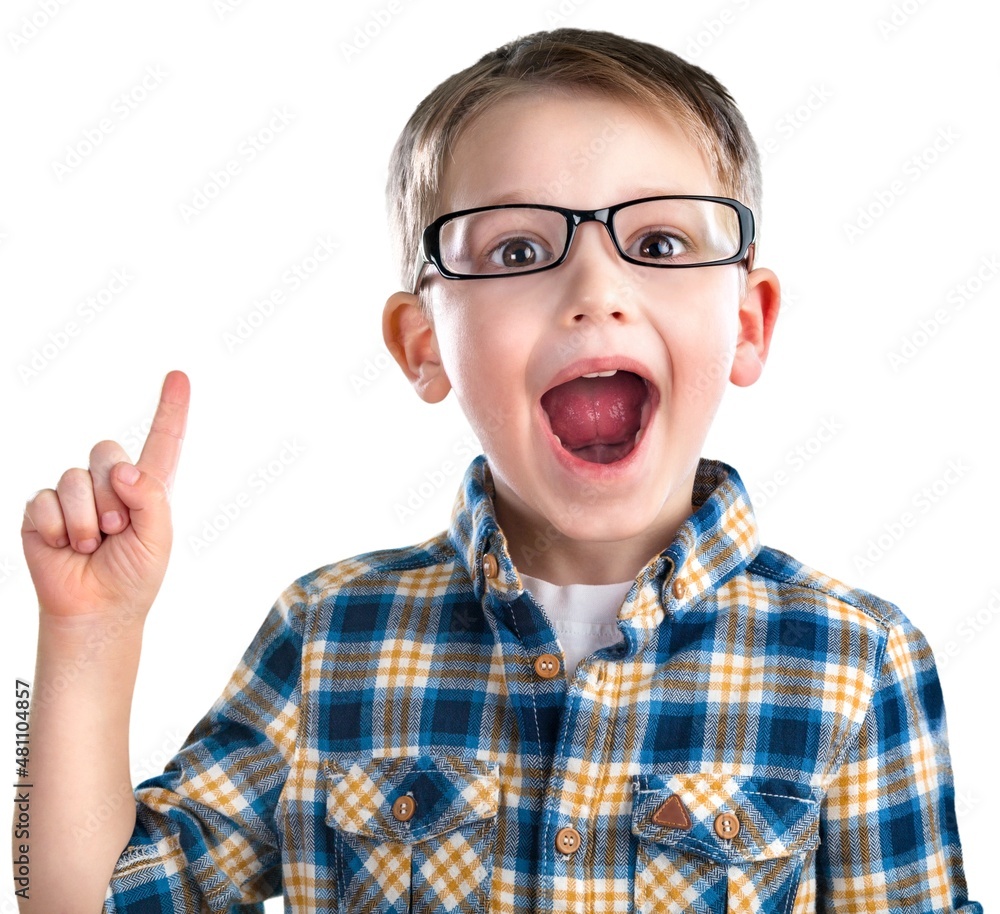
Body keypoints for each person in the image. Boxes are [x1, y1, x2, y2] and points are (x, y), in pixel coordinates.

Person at [16, 27, 980, 913]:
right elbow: (74, 899)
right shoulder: (329, 637)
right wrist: (86, 637)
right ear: (422, 343)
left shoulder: (858, 664)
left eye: (657, 243)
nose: (596, 291)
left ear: (750, 320)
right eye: (518, 248)